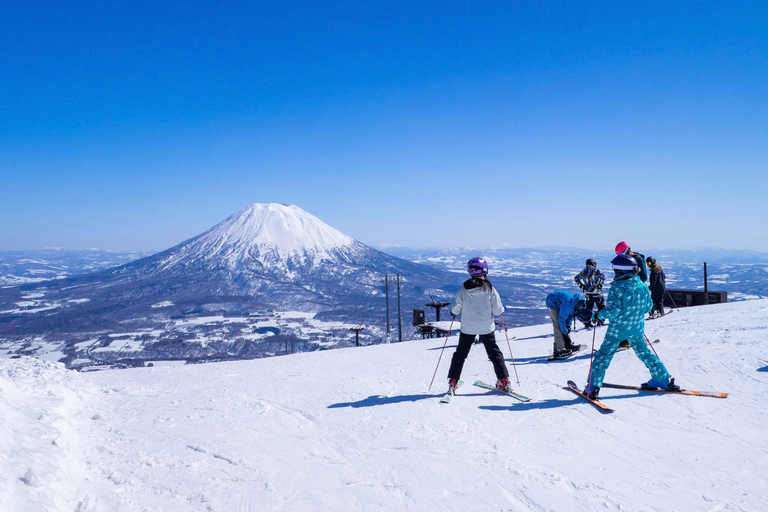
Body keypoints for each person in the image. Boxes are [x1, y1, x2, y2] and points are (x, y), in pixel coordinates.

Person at [583, 253, 680, 399]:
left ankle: (593, 387)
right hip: (637, 327)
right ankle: (662, 379)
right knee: (644, 351)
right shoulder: (642, 285)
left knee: (603, 356)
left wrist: (597, 315)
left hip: (618, 330)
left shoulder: (617, 287)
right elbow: (648, 307)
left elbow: (613, 311)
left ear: (619, 271)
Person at [447, 257, 510, 394]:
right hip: (486, 327)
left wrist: (453, 312)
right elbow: (498, 310)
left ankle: (453, 381)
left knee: (460, 354)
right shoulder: (489, 289)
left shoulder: (463, 289)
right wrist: (503, 308)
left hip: (467, 328)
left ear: (470, 271)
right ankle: (504, 381)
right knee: (494, 353)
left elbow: (457, 308)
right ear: (485, 271)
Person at [545, 290, 590, 359]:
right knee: (557, 324)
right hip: (552, 301)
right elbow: (561, 319)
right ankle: (559, 350)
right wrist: (565, 331)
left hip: (560, 302)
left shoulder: (578, 305)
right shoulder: (569, 306)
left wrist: (568, 326)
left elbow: (571, 315)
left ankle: (567, 344)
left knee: (565, 326)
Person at [573, 258, 606, 329]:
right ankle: (600, 320)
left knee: (588, 308)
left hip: (588, 293)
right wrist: (600, 284)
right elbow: (603, 277)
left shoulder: (584, 271)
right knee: (601, 306)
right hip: (597, 292)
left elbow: (576, 278)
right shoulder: (597, 270)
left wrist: (582, 286)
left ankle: (587, 323)